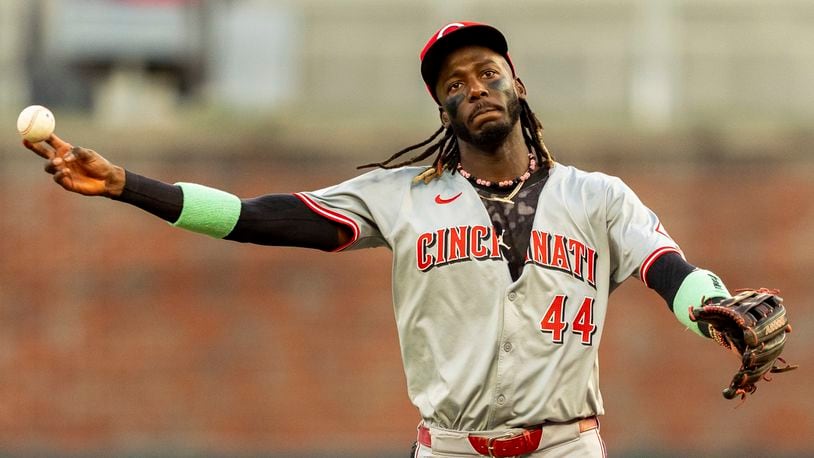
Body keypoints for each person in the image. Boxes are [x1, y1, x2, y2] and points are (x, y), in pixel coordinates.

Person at [24, 21, 748, 458]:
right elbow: (254, 217)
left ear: (518, 85)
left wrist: (707, 306)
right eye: (455, 83)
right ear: (443, 107)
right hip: (453, 448)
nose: (475, 86)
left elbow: (665, 267)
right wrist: (127, 184)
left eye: (487, 72)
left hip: (566, 444)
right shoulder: (401, 199)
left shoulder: (597, 197)